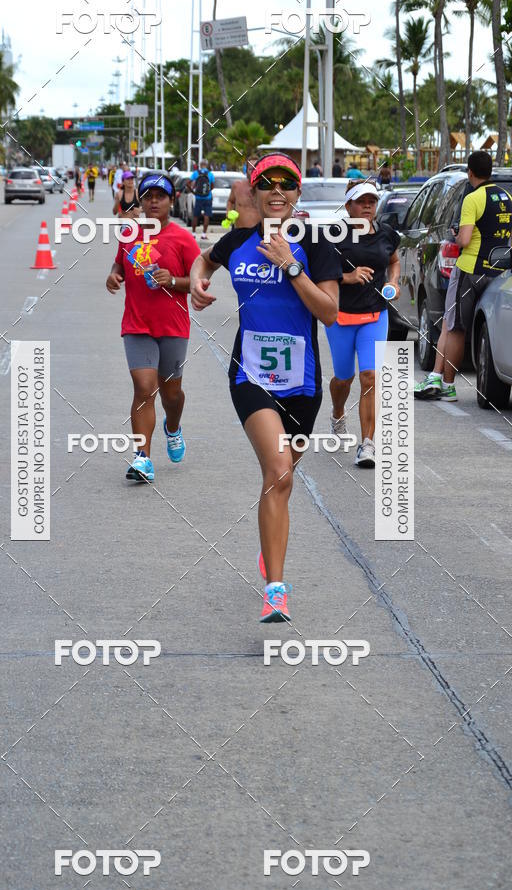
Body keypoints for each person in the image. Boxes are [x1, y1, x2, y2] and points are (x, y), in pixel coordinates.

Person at [189, 152, 341, 623]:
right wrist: (197, 281)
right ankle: (276, 588)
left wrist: (291, 266)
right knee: (279, 472)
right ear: (253, 193)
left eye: (287, 184)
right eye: (267, 184)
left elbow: (330, 312)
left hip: (303, 382)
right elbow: (204, 260)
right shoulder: (236, 241)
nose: (278, 191)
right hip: (250, 376)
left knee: (283, 479)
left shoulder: (316, 244)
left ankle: (268, 546)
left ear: (298, 195)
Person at [105, 173, 201, 483]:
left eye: (161, 196)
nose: (154, 201)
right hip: (136, 324)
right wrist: (114, 276)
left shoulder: (183, 238)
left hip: (173, 326)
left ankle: (172, 427)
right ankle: (142, 458)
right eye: (148, 196)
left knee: (171, 395)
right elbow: (119, 263)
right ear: (141, 201)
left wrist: (172, 281)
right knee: (145, 388)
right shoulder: (129, 233)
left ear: (171, 200)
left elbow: (198, 281)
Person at [415, 151, 512, 403]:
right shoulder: (507, 197)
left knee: (456, 326)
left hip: (471, 269)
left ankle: (447, 384)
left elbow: (466, 240)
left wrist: (456, 235)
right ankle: (437, 375)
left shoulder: (473, 198)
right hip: (499, 271)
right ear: (490, 171)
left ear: (470, 172)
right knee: (473, 324)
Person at [325, 179, 401, 468]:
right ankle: (337, 411)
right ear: (348, 206)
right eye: (361, 201)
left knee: (369, 377)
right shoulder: (333, 235)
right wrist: (347, 277)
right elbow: (319, 272)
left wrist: (393, 281)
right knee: (344, 378)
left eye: (372, 200)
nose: (368, 205)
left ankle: (367, 444)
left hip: (375, 315)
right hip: (340, 316)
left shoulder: (386, 234)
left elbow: (393, 261)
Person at [225, 164, 259, 229]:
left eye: (255, 169)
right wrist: (228, 212)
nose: (253, 171)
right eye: (250, 169)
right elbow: (230, 201)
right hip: (239, 231)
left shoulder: (265, 189)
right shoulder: (237, 186)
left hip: (260, 233)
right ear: (246, 171)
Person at [189, 158, 214, 240]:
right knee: (207, 215)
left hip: (198, 197)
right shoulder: (210, 174)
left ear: (200, 165)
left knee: (195, 215)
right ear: (206, 165)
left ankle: (193, 233)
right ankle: (203, 234)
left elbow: (187, 183)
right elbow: (213, 185)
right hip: (208, 197)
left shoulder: (196, 173)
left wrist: (193, 191)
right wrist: (209, 191)